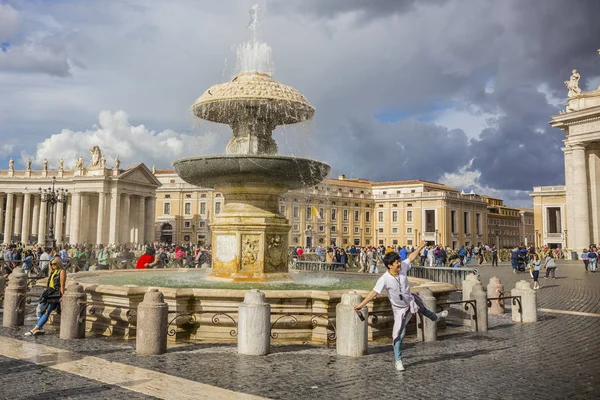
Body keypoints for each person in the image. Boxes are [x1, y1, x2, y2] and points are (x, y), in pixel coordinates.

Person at [354, 242, 448, 371]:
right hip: (400, 309)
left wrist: (421, 246)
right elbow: (373, 293)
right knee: (399, 334)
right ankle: (398, 360)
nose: (399, 264)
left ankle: (435, 317)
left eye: (399, 261)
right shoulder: (384, 279)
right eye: (397, 262)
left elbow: (412, 257)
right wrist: (361, 305)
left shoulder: (402, 266)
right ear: (389, 266)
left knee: (424, 309)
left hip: (410, 300)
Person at [25, 256, 66, 336]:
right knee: (38, 309)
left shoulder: (61, 272)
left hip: (55, 294)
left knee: (47, 311)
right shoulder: (53, 271)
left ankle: (35, 329)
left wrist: (62, 295)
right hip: (48, 292)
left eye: (54, 264)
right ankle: (40, 328)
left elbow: (62, 284)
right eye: (51, 264)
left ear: (58, 263)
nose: (52, 265)